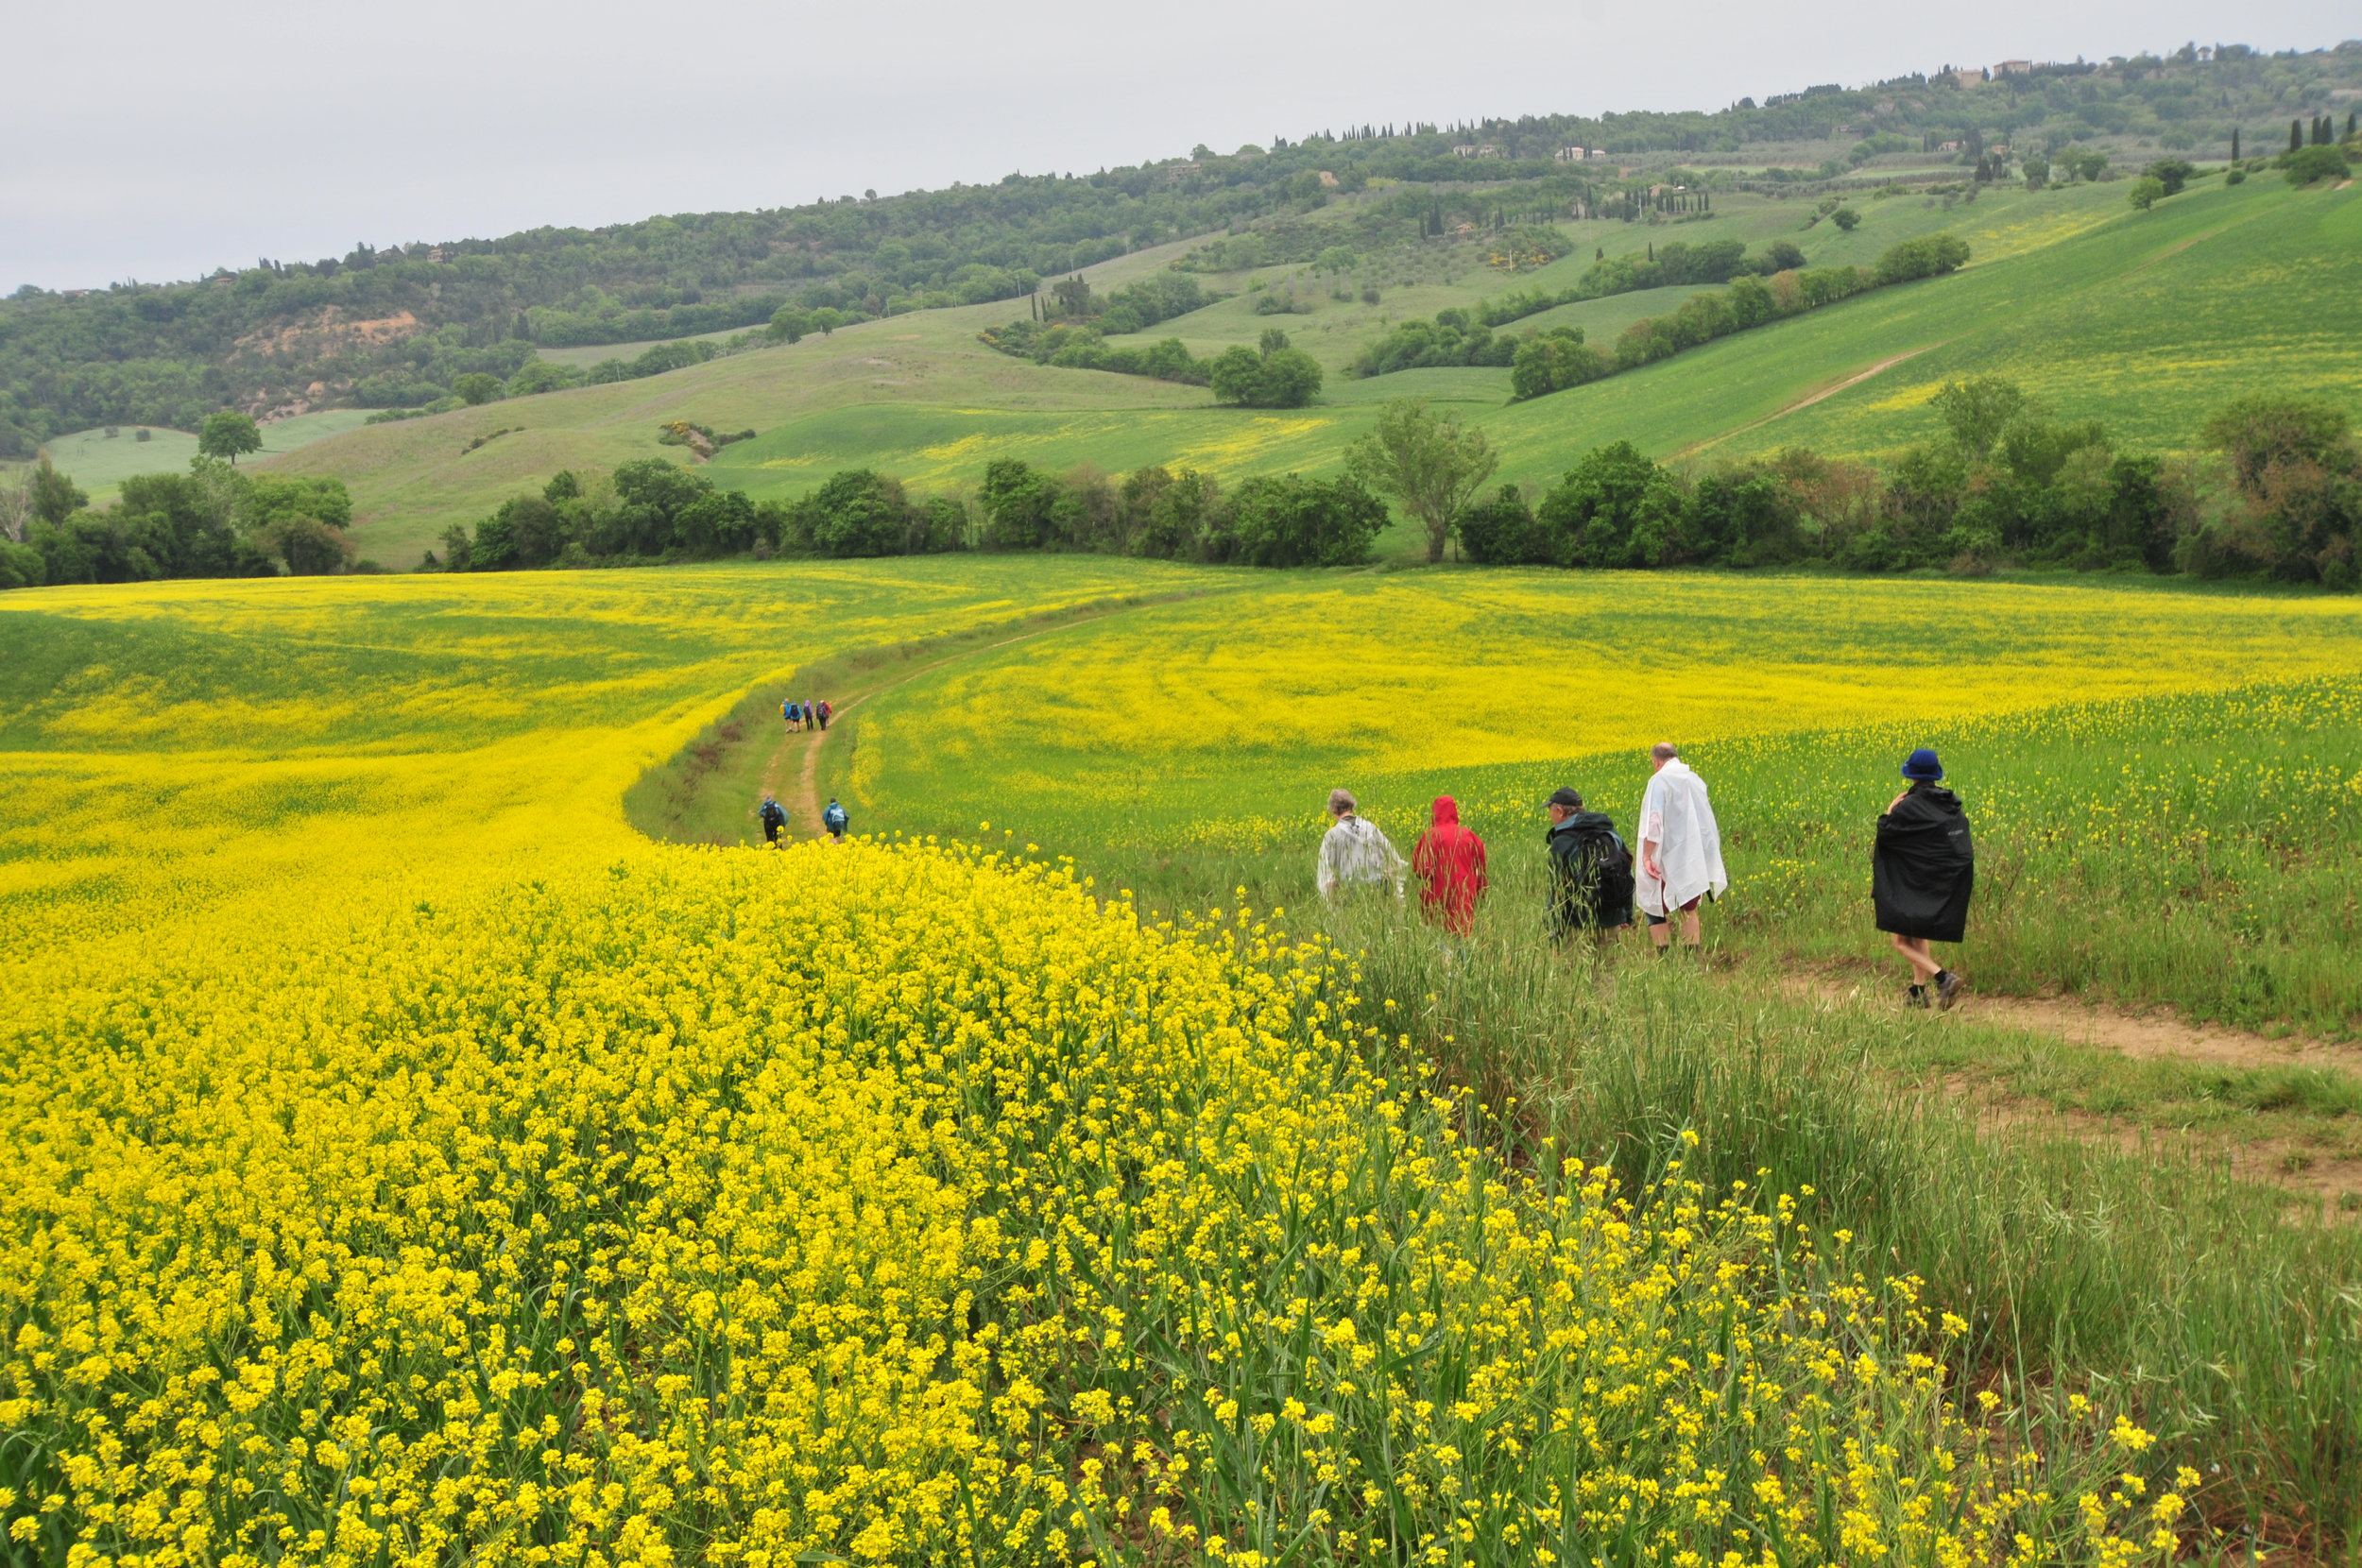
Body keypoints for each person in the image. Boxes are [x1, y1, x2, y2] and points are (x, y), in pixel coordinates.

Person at [1874, 747, 1975, 1009]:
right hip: (1936, 880)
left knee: (1900, 941)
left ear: (1912, 775)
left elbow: (1887, 833)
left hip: (1912, 882)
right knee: (1918, 933)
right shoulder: (1948, 803)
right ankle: (1918, 993)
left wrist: (1890, 809)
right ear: (1935, 775)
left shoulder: (1908, 805)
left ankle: (1943, 977)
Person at [1636, 742, 1726, 954]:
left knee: (1655, 907)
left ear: (1656, 761)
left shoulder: (1659, 780)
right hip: (1691, 855)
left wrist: (1648, 856)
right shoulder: (1693, 780)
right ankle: (1690, 959)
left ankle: (1663, 957)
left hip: (1665, 855)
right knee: (1689, 907)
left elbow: (1654, 820)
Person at [1544, 787, 1635, 942]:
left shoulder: (1561, 842)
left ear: (1559, 811)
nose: (1550, 815)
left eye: (1550, 810)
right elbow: (1626, 871)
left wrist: (1553, 926)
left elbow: (1557, 888)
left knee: (1574, 966)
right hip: (1612, 920)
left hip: (1576, 924)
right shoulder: (1609, 832)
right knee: (1608, 965)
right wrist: (1627, 914)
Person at [1412, 796, 1488, 935]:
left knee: (1438, 937)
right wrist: (1480, 893)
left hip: (1437, 897)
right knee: (1461, 934)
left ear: (1435, 813)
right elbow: (1481, 869)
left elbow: (1421, 870)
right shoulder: (1468, 835)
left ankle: (1445, 957)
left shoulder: (1431, 835)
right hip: (1465, 893)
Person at [1316, 789, 1407, 902]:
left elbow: (1326, 874)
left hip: (1350, 894)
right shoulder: (1371, 827)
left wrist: (1332, 898)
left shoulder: (1332, 836)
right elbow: (1392, 858)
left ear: (1333, 811)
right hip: (1379, 891)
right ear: (1352, 807)